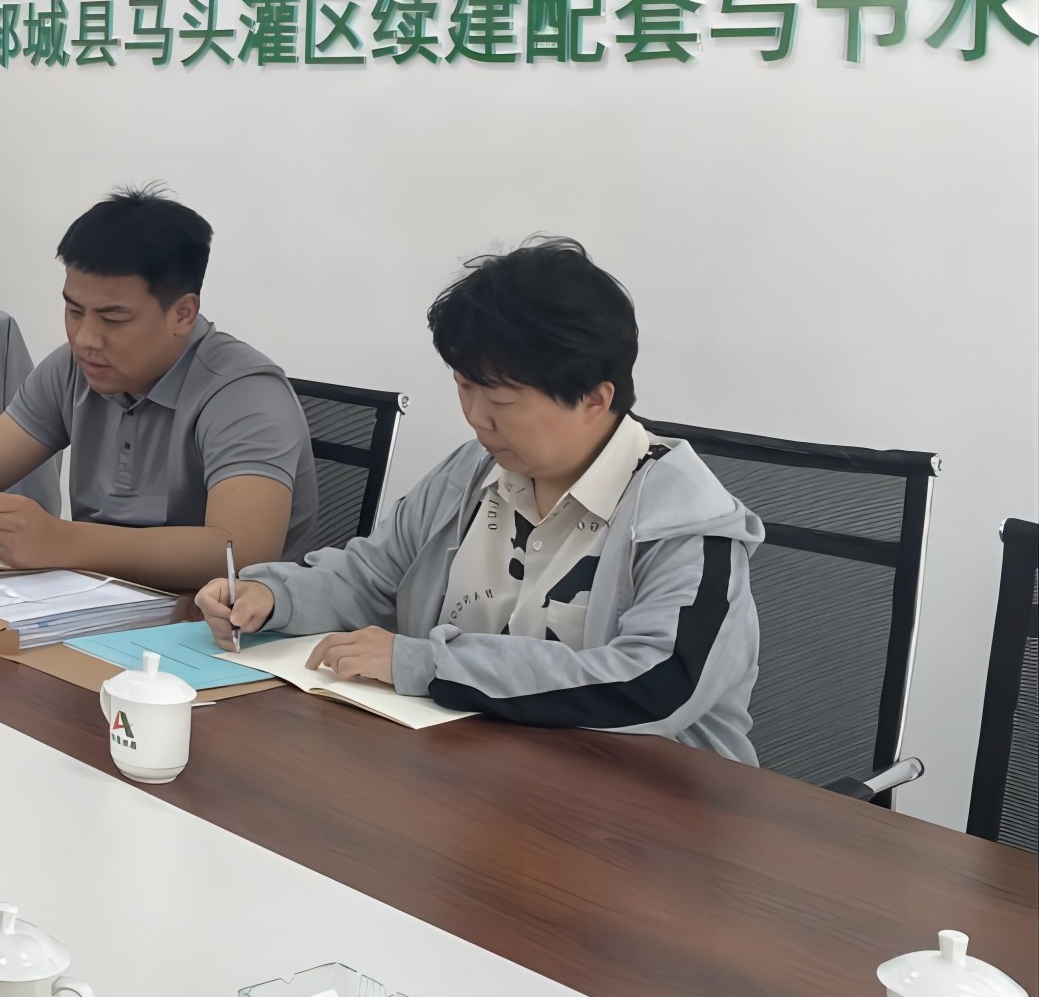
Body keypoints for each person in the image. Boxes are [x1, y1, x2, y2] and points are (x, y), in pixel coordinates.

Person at [196, 239, 762, 762]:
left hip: (652, 800)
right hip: (485, 771)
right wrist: (273, 596)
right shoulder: (471, 472)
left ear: (595, 398)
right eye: (464, 387)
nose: (475, 417)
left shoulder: (687, 519)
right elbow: (373, 577)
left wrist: (431, 664)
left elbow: (656, 684)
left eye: (501, 400)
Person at [0, 188, 314, 585]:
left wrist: (64, 541)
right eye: (74, 311)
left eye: (113, 319)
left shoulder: (245, 393)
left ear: (183, 314)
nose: (85, 338)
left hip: (222, 618)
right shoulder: (72, 368)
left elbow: (241, 551)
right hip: (95, 600)